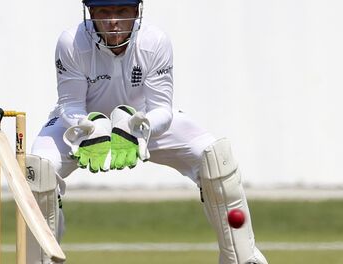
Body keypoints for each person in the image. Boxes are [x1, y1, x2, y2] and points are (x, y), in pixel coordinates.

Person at [24, 0, 268, 263]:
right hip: (85, 124)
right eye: (104, 12)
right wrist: (88, 128)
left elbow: (162, 108)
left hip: (142, 121)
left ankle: (243, 258)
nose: (113, 21)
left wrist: (137, 127)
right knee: (40, 170)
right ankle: (38, 260)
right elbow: (70, 104)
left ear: (136, 12)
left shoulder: (155, 41)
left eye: (122, 12)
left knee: (214, 157)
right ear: (91, 13)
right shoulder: (71, 42)